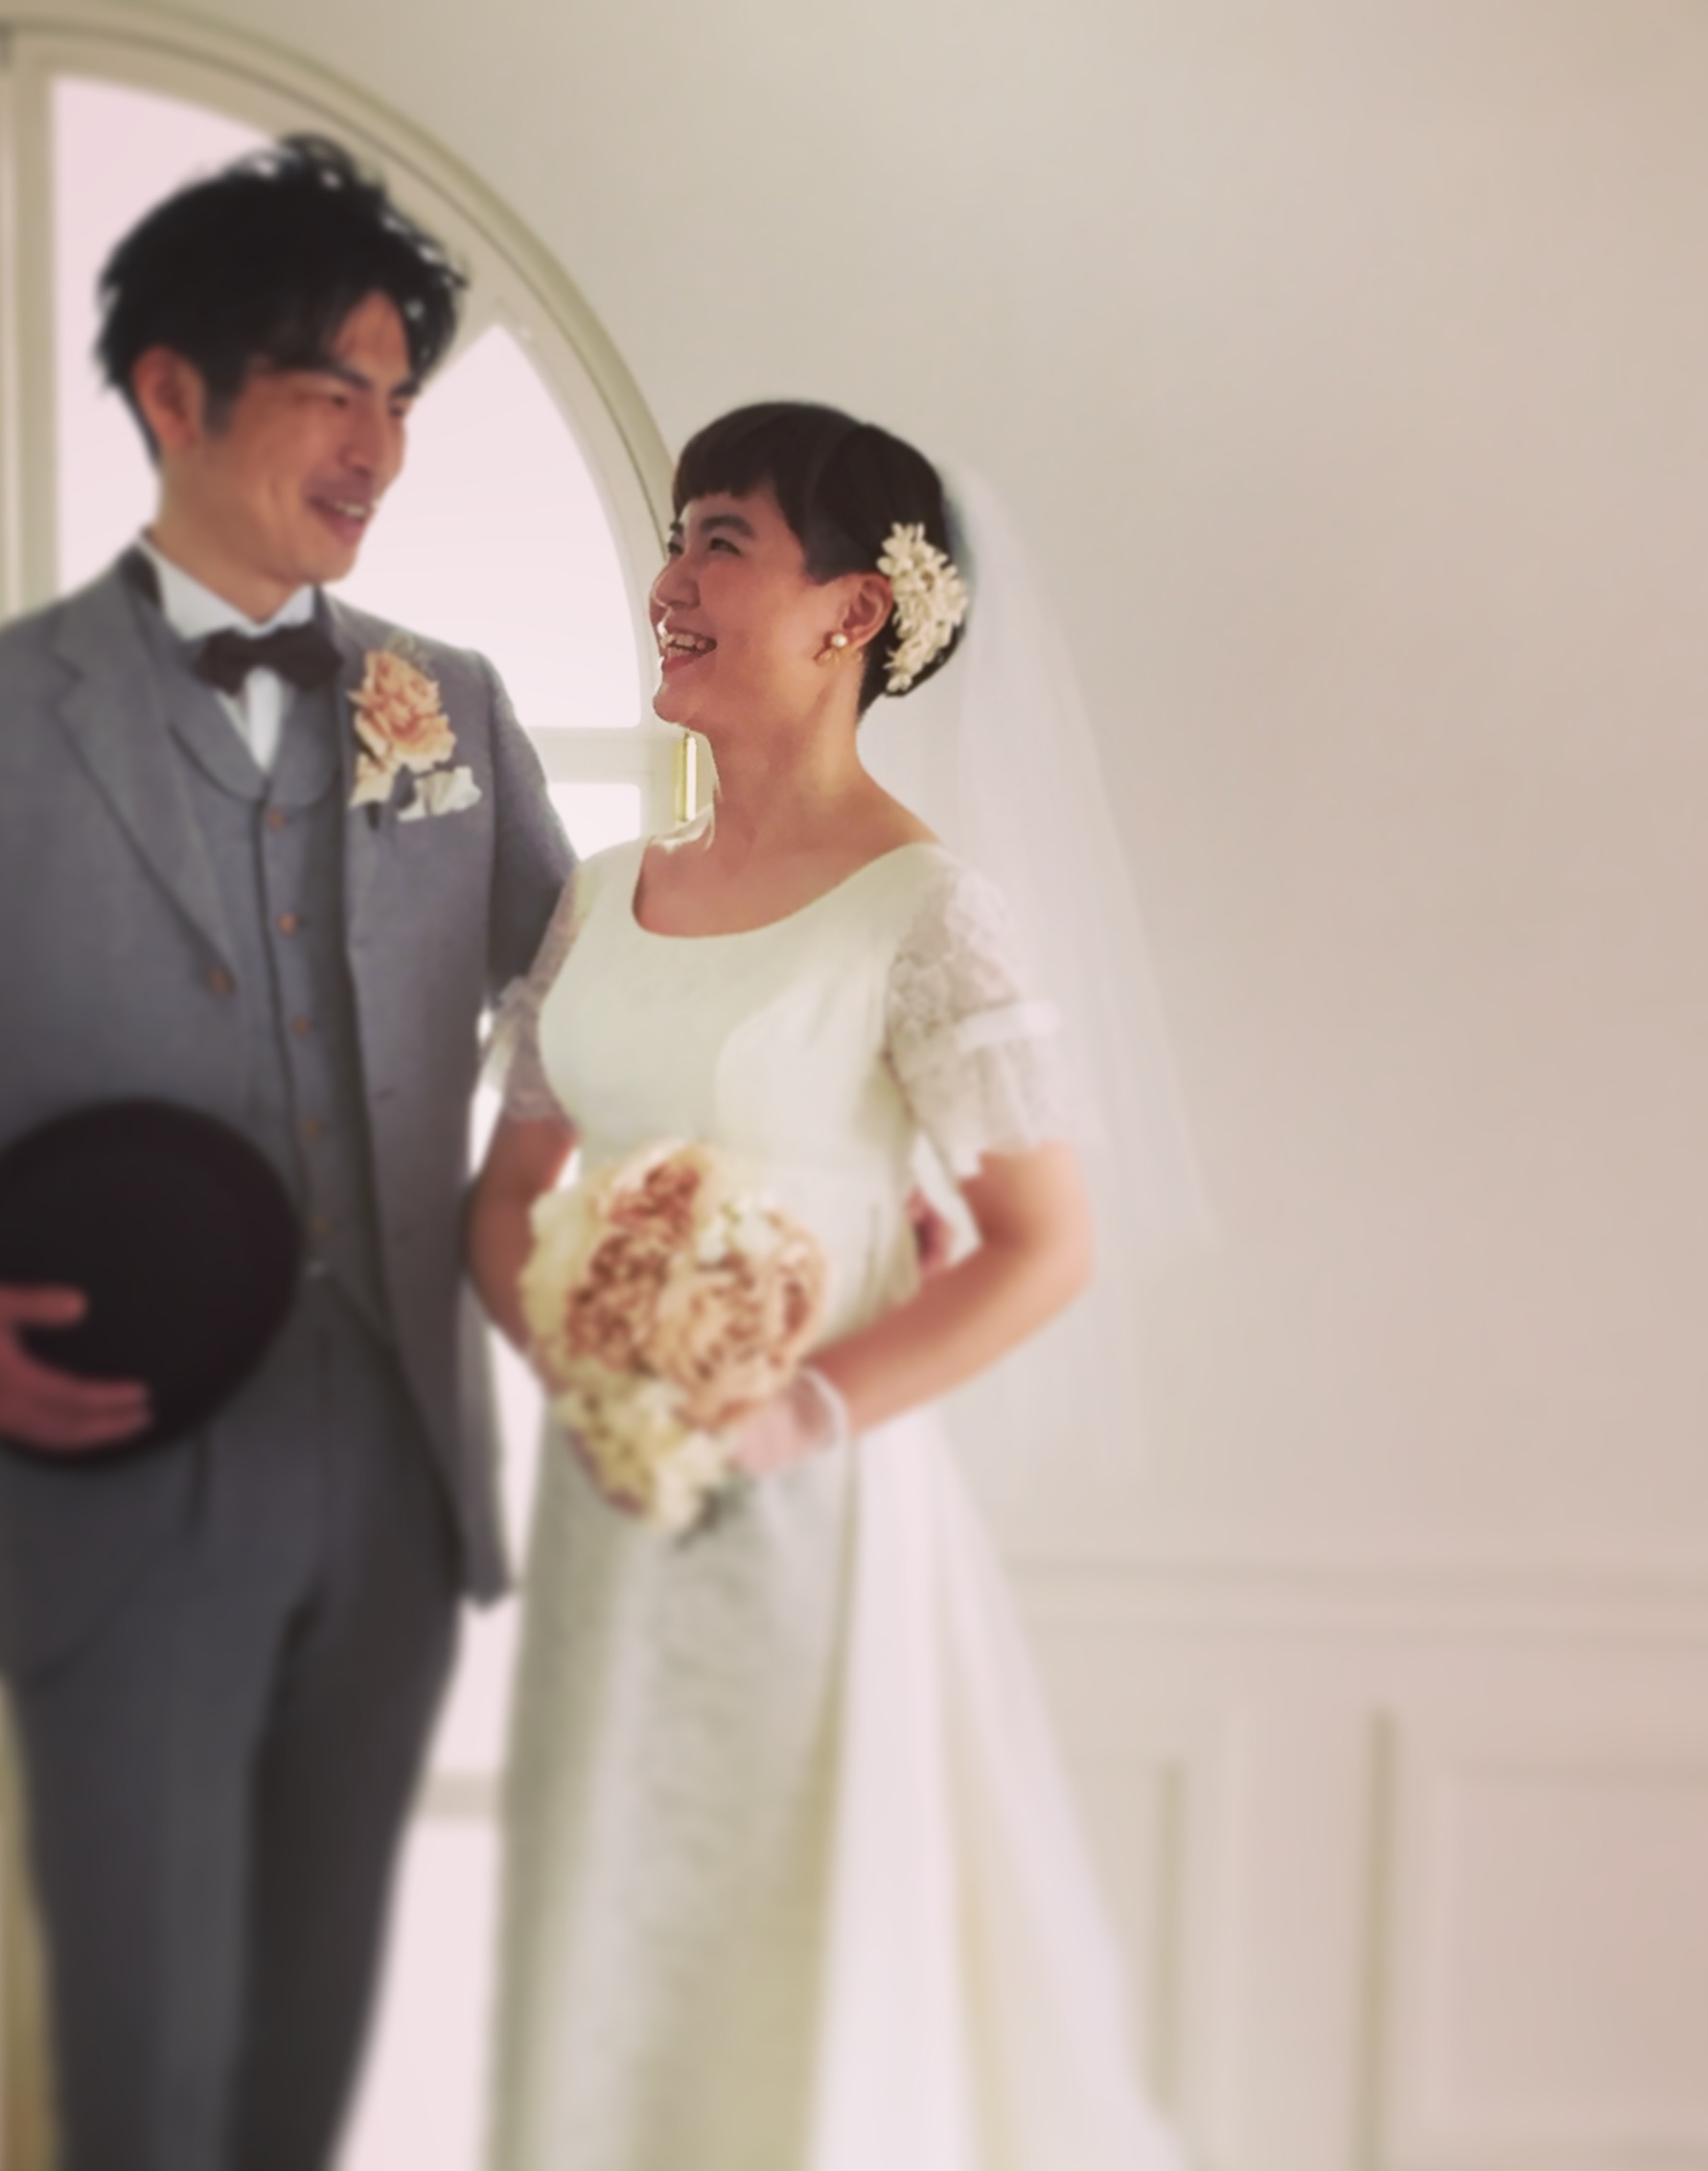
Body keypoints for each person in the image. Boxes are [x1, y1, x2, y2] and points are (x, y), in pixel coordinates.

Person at [0, 137, 572, 2171]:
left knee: (300, 2074)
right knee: (142, 2078)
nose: (378, 444)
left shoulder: (452, 706)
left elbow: (597, 1012)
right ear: (173, 392)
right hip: (110, 1472)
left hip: (390, 1477)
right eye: (331, 388)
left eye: (401, 397)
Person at [470, 404, 1188, 2169]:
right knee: (604, 1933)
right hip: (603, 1505)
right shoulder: (601, 898)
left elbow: (1042, 1244)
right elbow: (504, 1202)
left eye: (721, 541)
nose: (669, 583)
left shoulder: (920, 911)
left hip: (807, 1513)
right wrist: (590, 1371)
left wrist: (795, 1411)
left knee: (780, 1948)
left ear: (852, 611)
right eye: (673, 540)